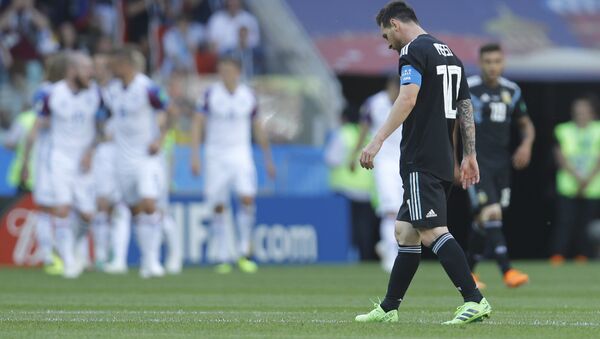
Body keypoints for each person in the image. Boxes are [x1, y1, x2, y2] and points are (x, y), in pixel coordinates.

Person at [355, 1, 490, 324]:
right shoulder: (450, 55)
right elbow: (465, 107)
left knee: (430, 231)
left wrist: (377, 140)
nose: (386, 42)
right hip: (442, 155)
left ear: (395, 23)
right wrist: (469, 154)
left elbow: (408, 96)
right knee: (405, 232)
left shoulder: (412, 51)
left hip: (422, 156)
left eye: (385, 33)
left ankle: (475, 299)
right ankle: (389, 308)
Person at [190, 56, 275, 274]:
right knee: (219, 205)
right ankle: (222, 255)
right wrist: (195, 155)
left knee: (247, 198)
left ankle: (244, 251)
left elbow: (258, 127)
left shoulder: (248, 96)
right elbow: (198, 124)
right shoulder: (210, 95)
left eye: (229, 70)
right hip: (215, 155)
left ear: (238, 71)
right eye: (222, 70)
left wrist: (268, 159)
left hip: (241, 154)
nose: (225, 74)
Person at [22, 52, 103, 278]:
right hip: (58, 159)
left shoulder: (96, 93)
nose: (92, 72)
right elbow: (36, 126)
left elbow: (103, 126)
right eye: (87, 68)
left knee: (88, 215)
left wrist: (91, 150)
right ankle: (66, 260)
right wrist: (26, 162)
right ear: (72, 71)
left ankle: (72, 249)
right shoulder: (51, 94)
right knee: (60, 209)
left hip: (84, 162)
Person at [464, 43, 535, 289]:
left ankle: (467, 273)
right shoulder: (468, 88)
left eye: (496, 61)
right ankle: (507, 270)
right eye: (487, 61)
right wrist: (456, 159)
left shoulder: (511, 90)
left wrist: (525, 146)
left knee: (485, 220)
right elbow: (454, 126)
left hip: (502, 164)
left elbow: (526, 124)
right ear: (480, 63)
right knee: (493, 213)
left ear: (502, 63)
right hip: (476, 161)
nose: (492, 66)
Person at [107, 46, 176, 278]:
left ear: (128, 64)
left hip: (147, 156)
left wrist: (160, 138)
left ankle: (154, 261)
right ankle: (147, 260)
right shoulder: (112, 90)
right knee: (135, 210)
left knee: (149, 204)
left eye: (116, 63)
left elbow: (168, 110)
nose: (113, 67)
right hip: (123, 158)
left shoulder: (148, 88)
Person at [350, 75, 402, 272]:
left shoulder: (409, 101)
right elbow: (363, 130)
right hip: (382, 162)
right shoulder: (374, 103)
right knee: (391, 209)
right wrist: (355, 154)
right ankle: (391, 253)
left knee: (403, 212)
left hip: (403, 161)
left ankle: (386, 243)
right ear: (389, 86)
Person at [551, 95, 600, 264]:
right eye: (577, 110)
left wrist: (587, 179)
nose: (581, 114)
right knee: (565, 222)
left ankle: (584, 255)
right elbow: (560, 156)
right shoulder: (562, 129)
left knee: (586, 224)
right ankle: (558, 254)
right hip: (568, 185)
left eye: (584, 110)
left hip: (592, 186)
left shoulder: (598, 129)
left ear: (591, 111)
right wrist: (578, 178)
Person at [325, 106, 378, 262]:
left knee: (346, 227)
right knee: (365, 228)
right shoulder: (369, 135)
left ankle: (346, 257)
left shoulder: (343, 134)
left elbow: (331, 159)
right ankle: (365, 258)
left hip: (345, 189)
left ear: (344, 118)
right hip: (366, 190)